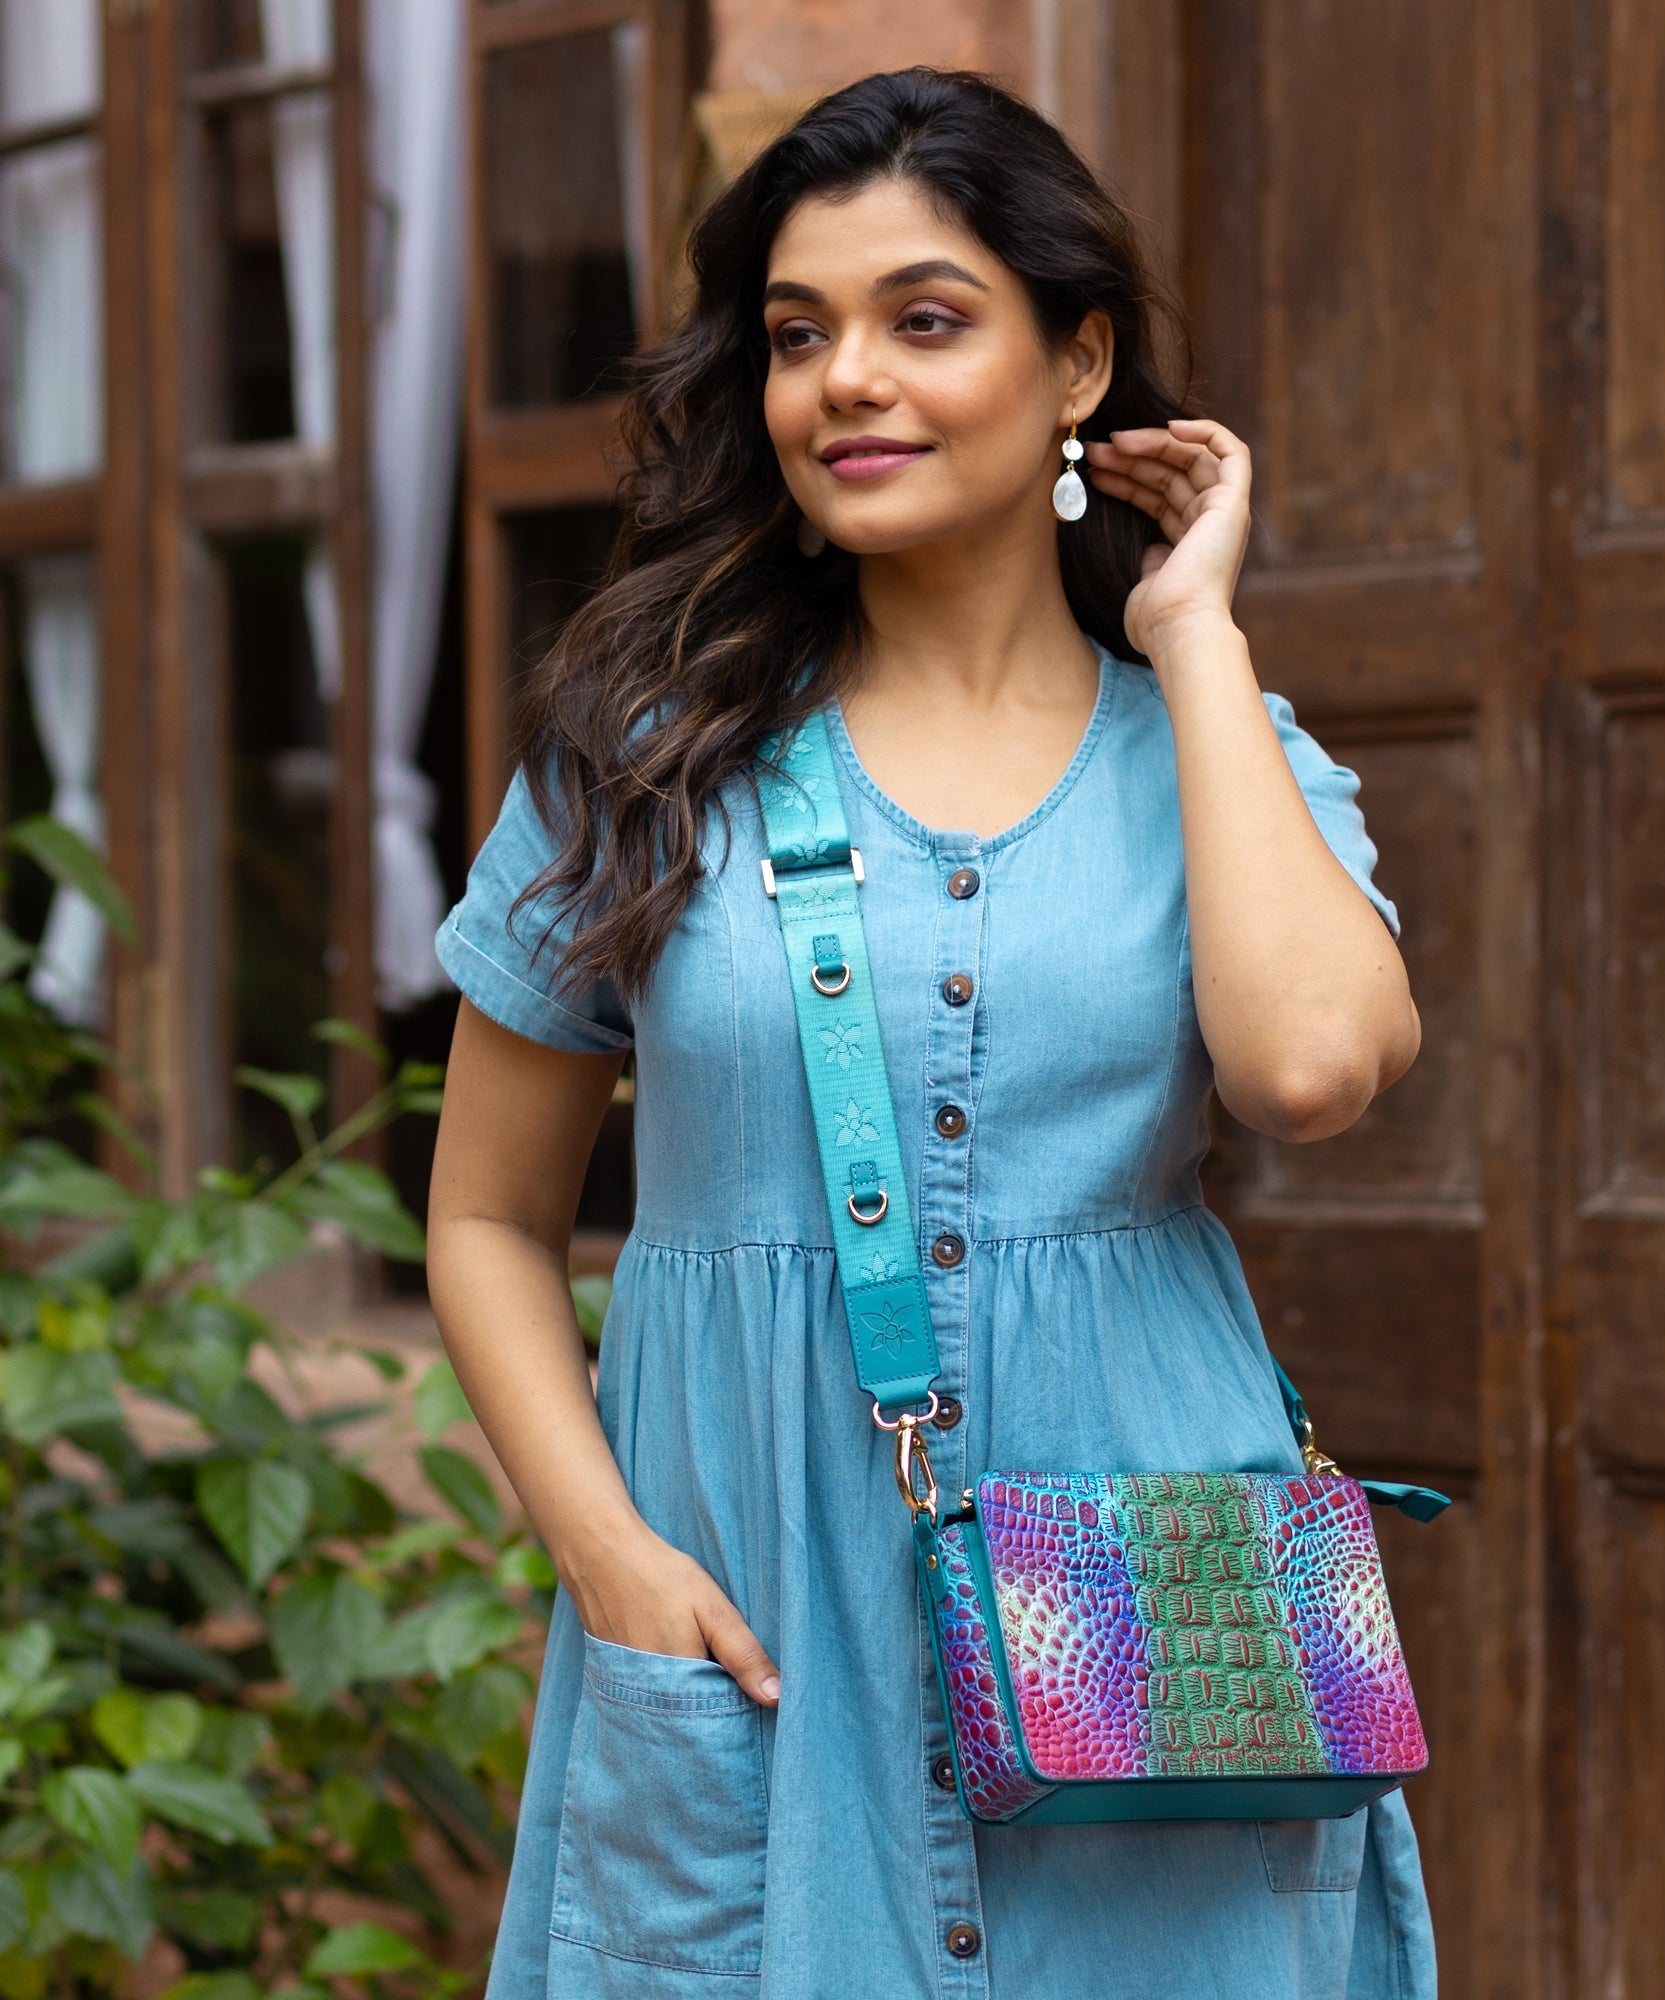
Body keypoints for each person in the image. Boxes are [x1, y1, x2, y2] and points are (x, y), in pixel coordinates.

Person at [426, 67, 1432, 2000]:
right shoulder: (644, 757)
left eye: (928, 320)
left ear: (1081, 370)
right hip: (750, 1614)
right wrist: (609, 1564)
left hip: (1144, 1619)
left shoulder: (1227, 761)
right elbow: (482, 1220)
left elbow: (1310, 1069)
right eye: (800, 336)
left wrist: (1194, 633)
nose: (846, 382)